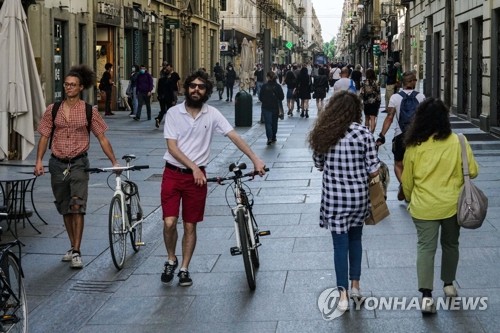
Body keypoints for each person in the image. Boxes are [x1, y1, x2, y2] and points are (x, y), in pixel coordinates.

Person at [160, 70, 267, 287]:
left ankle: (184, 268)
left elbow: (234, 136)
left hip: (196, 180)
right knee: (170, 222)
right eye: (192, 86)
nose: (196, 90)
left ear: (207, 91)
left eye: (200, 87)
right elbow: (172, 147)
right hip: (173, 173)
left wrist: (255, 159)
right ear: (186, 88)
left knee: (190, 226)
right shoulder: (173, 113)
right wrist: (194, 168)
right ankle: (171, 259)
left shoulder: (212, 114)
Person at [33, 65, 119, 269]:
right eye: (66, 84)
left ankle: (77, 250)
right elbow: (44, 137)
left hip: (79, 163)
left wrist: (113, 162)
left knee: (77, 206)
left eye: (73, 85)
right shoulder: (52, 110)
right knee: (65, 208)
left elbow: (102, 138)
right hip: (57, 163)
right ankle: (72, 246)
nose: (68, 88)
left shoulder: (90, 111)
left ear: (81, 87)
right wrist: (38, 160)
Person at [401, 98, 479, 314]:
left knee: (426, 248)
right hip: (453, 205)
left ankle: (426, 296)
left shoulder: (414, 145)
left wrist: (409, 198)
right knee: (451, 245)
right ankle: (449, 285)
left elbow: (407, 182)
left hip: (424, 206)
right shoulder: (458, 141)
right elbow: (472, 171)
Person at [308, 90, 380, 311]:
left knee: (340, 246)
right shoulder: (363, 133)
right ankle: (356, 285)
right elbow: (373, 168)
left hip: (335, 199)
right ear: (355, 110)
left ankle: (342, 295)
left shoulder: (324, 133)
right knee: (356, 240)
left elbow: (319, 164)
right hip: (359, 197)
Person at [376, 71, 425, 200]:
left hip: (401, 135)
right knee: (418, 163)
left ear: (402, 83)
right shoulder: (421, 97)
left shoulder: (395, 98)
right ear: (413, 82)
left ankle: (404, 185)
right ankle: (414, 187)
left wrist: (382, 134)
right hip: (418, 136)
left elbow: (390, 118)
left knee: (398, 163)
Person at [259, 71, 284, 145]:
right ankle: (274, 136)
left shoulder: (264, 86)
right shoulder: (278, 86)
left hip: (266, 107)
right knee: (274, 122)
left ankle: (269, 138)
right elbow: (282, 97)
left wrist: (265, 100)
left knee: (268, 123)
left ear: (268, 77)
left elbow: (260, 97)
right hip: (275, 107)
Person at [155, 63, 180, 128]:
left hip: (162, 97)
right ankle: (170, 123)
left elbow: (158, 89)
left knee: (163, 110)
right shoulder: (170, 81)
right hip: (169, 97)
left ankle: (158, 119)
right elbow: (171, 90)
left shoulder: (160, 80)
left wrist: (159, 96)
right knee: (170, 111)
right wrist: (174, 99)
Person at [359, 68, 381, 133]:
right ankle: (372, 133)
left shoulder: (363, 82)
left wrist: (360, 100)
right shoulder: (377, 82)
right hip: (375, 102)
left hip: (366, 102)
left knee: (367, 117)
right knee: (373, 118)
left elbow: (362, 93)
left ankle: (366, 133)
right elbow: (378, 92)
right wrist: (379, 101)